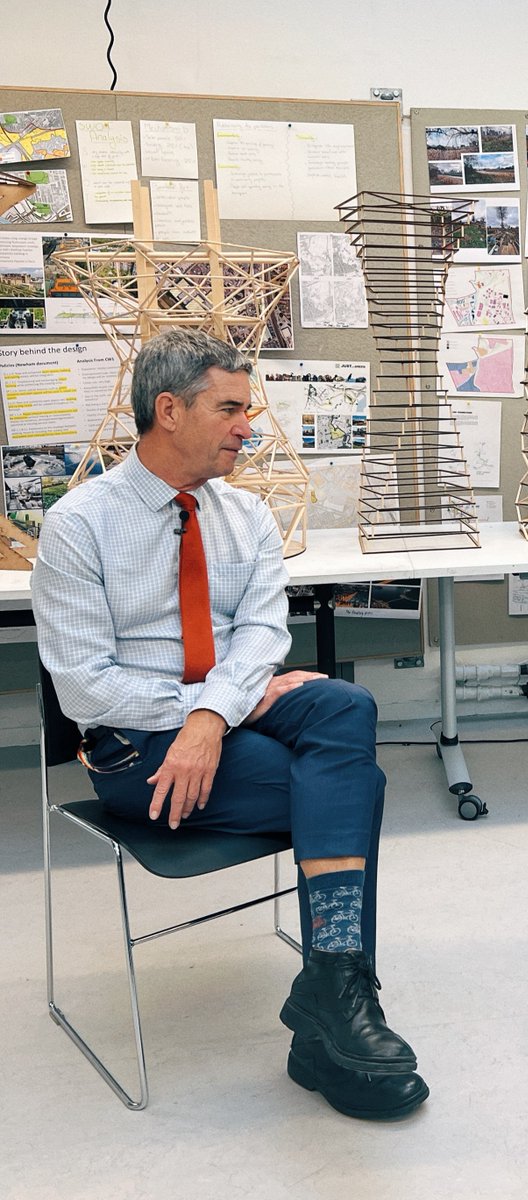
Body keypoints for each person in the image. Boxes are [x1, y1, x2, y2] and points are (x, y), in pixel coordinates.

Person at [31, 328, 428, 1121]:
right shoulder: (79, 525)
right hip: (133, 750)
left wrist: (215, 711)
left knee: (346, 705)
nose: (248, 425)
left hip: (219, 718)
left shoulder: (243, 513)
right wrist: (212, 711)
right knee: (352, 789)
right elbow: (84, 687)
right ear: (169, 410)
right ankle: (338, 1011)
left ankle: (330, 994)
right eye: (231, 408)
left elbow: (262, 635)